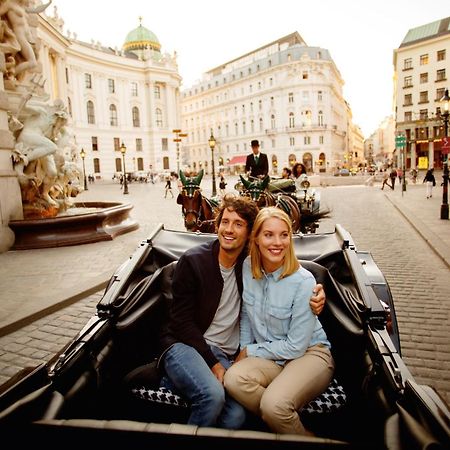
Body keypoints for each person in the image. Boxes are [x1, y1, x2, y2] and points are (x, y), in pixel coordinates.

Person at [157, 194, 326, 429]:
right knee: (211, 396)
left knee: (236, 416)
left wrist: (317, 292)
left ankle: (182, 382)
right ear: (216, 226)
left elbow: (289, 274)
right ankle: (179, 378)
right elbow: (180, 322)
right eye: (225, 222)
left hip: (225, 355)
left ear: (249, 235)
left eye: (238, 224)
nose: (229, 229)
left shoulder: (248, 264)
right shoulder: (193, 261)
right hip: (186, 345)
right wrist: (215, 363)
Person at [224, 207, 334, 435]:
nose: (277, 242)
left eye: (284, 235)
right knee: (233, 378)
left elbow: (296, 346)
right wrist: (243, 349)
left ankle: (281, 414)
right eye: (269, 234)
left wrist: (250, 351)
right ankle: (283, 416)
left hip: (310, 354)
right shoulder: (248, 267)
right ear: (255, 238)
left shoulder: (304, 281)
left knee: (274, 405)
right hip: (273, 356)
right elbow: (246, 313)